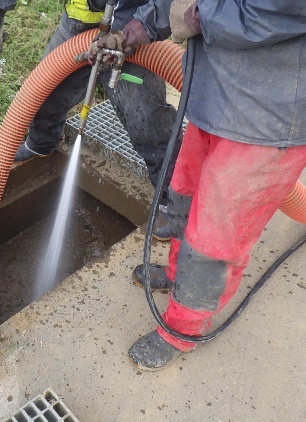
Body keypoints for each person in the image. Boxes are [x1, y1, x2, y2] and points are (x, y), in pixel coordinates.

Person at [127, 1, 306, 371]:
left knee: (216, 236)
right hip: (216, 98)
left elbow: (271, 12)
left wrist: (199, 14)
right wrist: (141, 24)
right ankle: (178, 277)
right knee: (185, 197)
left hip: (269, 119)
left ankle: (182, 329)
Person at [0, 0, 178, 240]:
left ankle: (172, 199)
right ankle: (42, 142)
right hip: (77, 23)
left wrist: (140, 28)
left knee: (147, 119)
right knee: (46, 93)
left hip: (131, 28)